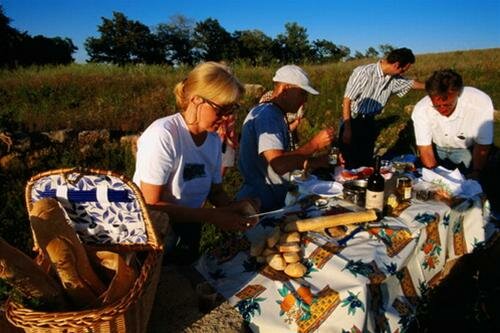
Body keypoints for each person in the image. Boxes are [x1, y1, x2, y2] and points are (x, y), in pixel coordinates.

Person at [133, 62, 258, 263]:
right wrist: (211, 216)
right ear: (196, 100)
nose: (226, 118)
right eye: (221, 110)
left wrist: (235, 208)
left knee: (187, 275)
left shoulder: (213, 140)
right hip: (155, 230)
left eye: (231, 110)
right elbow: (150, 203)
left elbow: (215, 191)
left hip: (191, 221)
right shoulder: (164, 135)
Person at [237, 65, 335, 212]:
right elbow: (279, 165)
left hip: (269, 199)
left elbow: (285, 159)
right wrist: (315, 144)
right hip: (260, 205)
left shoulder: (275, 113)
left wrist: (319, 161)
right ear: (285, 89)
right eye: (302, 93)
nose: (305, 100)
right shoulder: (268, 116)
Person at [340, 47, 425, 169]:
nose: (402, 74)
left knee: (365, 163)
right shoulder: (364, 73)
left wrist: (435, 88)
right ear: (396, 65)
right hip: (352, 121)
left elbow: (411, 84)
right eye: (403, 70)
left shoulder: (393, 79)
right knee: (347, 162)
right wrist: (348, 129)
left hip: (369, 123)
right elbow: (347, 100)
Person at [411, 69, 494, 178]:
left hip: (466, 149)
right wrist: (436, 177)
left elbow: (483, 145)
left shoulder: (479, 102)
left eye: (447, 105)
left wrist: (476, 172)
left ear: (457, 93)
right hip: (436, 148)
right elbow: (425, 148)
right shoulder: (421, 109)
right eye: (436, 105)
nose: (442, 109)